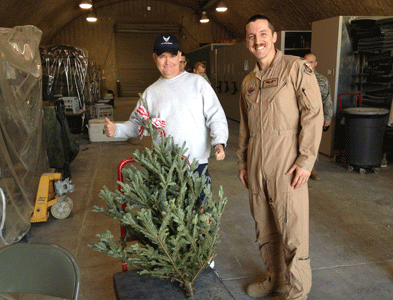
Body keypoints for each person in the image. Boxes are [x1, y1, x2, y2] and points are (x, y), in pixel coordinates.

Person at [237, 15, 323, 299]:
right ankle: (275, 280)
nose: (257, 41)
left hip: (287, 164)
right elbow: (245, 127)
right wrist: (243, 163)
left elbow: (313, 114)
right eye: (251, 36)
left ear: (274, 37)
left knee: (293, 232)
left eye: (263, 34)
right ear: (247, 42)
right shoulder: (248, 82)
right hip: (257, 164)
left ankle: (297, 293)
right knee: (265, 227)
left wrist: (306, 160)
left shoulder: (295, 68)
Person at [104, 33, 228, 205]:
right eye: (162, 56)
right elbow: (137, 124)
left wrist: (219, 142)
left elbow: (216, 115)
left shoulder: (198, 83)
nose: (168, 62)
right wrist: (116, 130)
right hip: (165, 167)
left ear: (179, 56)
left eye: (172, 56)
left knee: (201, 213)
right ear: (155, 58)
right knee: (168, 218)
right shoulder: (150, 93)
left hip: (196, 163)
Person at [303, 53, 333, 181]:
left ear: (316, 63)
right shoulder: (297, 78)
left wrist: (328, 118)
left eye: (311, 61)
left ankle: (311, 169)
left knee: (313, 144)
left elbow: (327, 100)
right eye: (306, 61)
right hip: (299, 116)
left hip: (316, 117)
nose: (309, 64)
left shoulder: (322, 80)